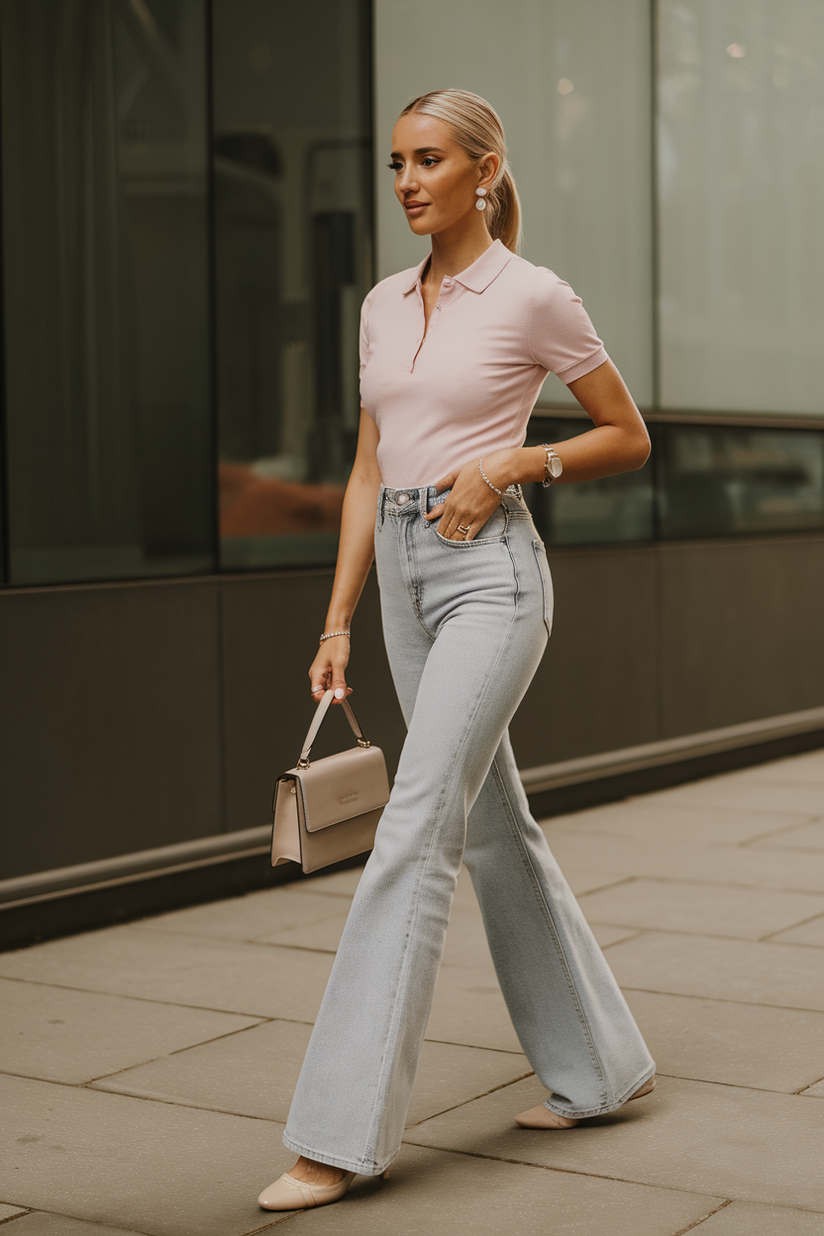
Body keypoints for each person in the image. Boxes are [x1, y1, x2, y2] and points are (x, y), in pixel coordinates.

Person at [257, 88, 655, 1213]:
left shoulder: (533, 297)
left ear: (484, 168)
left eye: (427, 160)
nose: (405, 182)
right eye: (394, 163)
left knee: (415, 828)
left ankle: (337, 1136)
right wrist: (335, 621)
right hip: (400, 575)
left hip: (492, 577)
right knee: (489, 821)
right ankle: (600, 1068)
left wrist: (515, 464)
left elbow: (626, 434)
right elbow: (366, 472)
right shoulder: (384, 303)